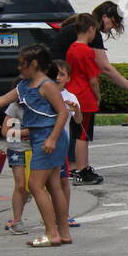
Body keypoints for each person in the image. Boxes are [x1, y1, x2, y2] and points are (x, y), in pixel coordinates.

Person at [0, 45, 70, 246]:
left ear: (35, 64)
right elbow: (2, 100)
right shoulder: (24, 86)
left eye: (22, 64)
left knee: (35, 185)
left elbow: (62, 113)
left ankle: (52, 233)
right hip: (40, 136)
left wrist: (52, 139)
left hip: (48, 137)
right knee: (53, 184)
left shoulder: (46, 85)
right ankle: (63, 233)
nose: (19, 68)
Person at [48, 0, 128, 185]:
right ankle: (80, 169)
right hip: (80, 93)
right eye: (112, 23)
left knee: (68, 129)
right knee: (82, 133)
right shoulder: (88, 40)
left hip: (62, 84)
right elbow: (103, 69)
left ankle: (68, 167)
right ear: (104, 18)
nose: (109, 29)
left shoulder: (73, 34)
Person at [62, 13, 101, 184]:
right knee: (83, 135)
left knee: (76, 133)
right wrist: (98, 97)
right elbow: (93, 79)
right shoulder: (87, 51)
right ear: (91, 29)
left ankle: (79, 167)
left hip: (72, 94)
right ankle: (82, 169)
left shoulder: (71, 49)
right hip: (85, 97)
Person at [52, 60, 80, 226]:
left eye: (62, 74)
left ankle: (64, 214)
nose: (57, 77)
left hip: (62, 145)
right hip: (46, 142)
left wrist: (76, 109)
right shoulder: (45, 94)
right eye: (55, 74)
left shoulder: (70, 97)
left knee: (63, 181)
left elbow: (78, 120)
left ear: (68, 78)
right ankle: (49, 214)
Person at [0, 100, 31, 235]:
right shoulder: (15, 106)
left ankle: (18, 215)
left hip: (36, 150)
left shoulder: (42, 104)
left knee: (32, 186)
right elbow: (5, 131)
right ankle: (17, 221)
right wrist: (26, 132)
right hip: (17, 150)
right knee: (20, 185)